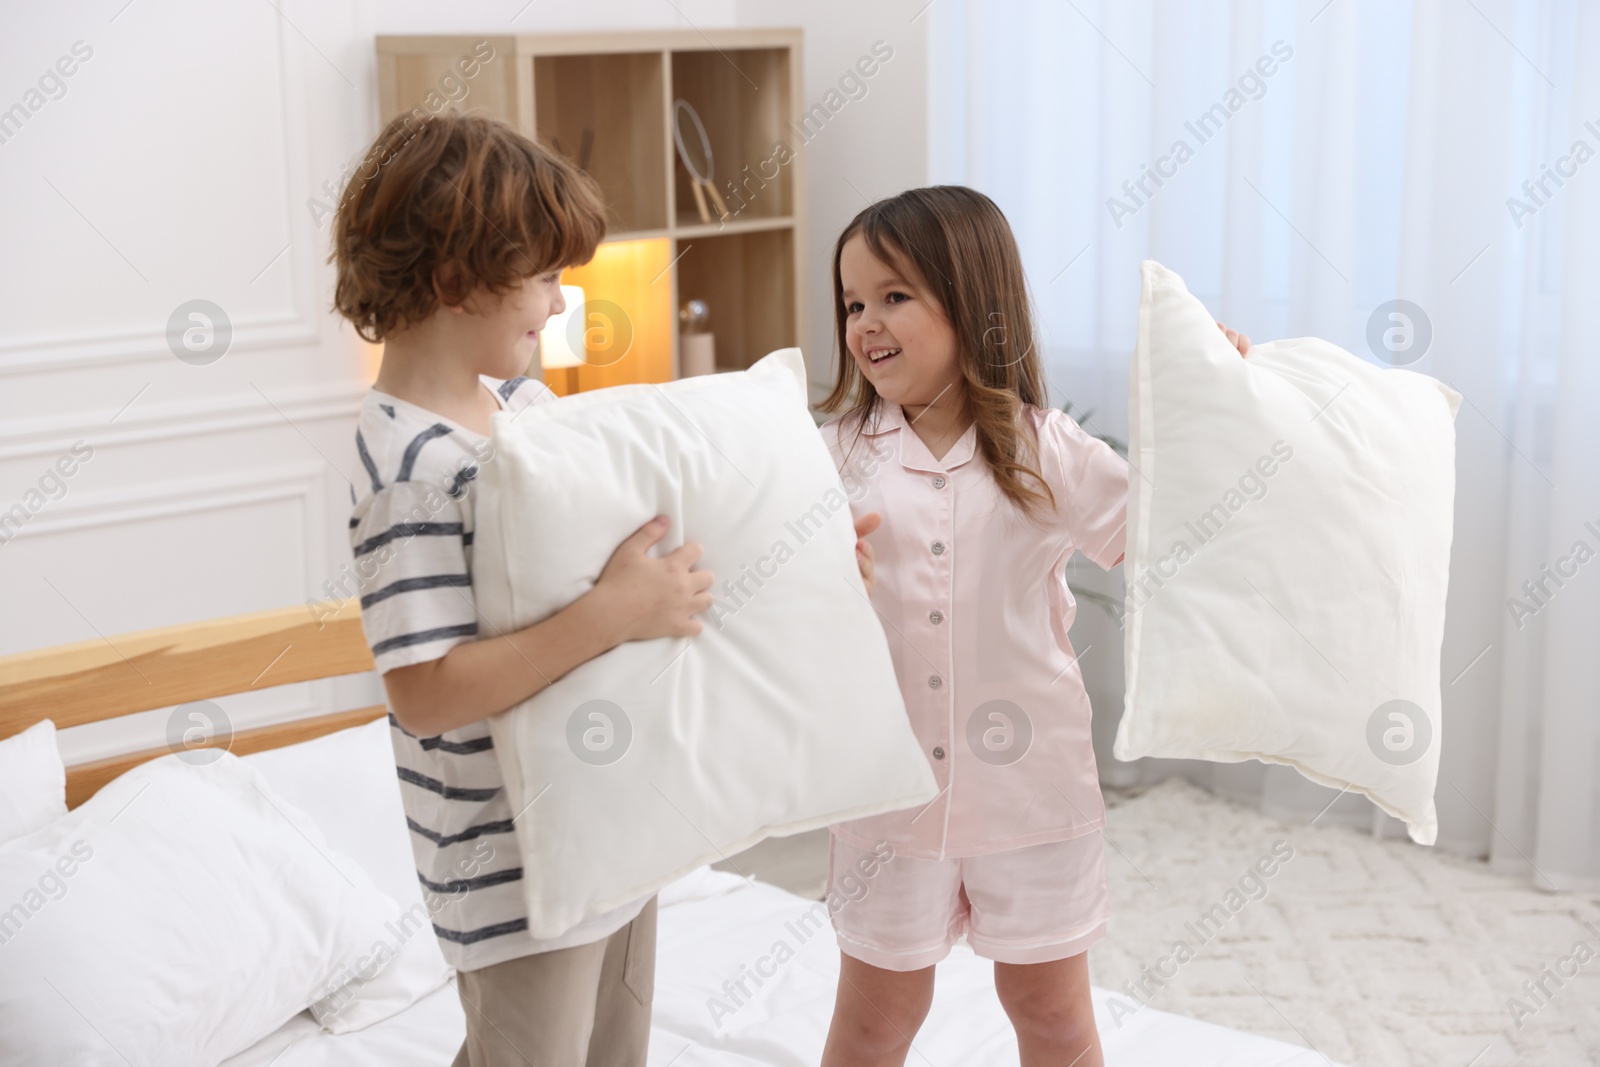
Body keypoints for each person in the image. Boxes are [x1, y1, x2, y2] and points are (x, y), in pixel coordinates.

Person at [815, 185, 1249, 1067]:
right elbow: (779, 596)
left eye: (894, 296)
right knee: (872, 1025)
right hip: (889, 800)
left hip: (1032, 794)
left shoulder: (1044, 449)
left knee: (1052, 1018)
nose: (866, 322)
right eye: (853, 302)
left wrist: (1222, 408)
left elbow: (1167, 535)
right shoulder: (834, 455)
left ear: (972, 301)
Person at [330, 109, 715, 1067]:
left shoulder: (519, 411)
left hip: (606, 824)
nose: (556, 305)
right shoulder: (409, 467)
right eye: (543, 278)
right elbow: (425, 691)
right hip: (509, 867)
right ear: (458, 280)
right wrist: (610, 614)